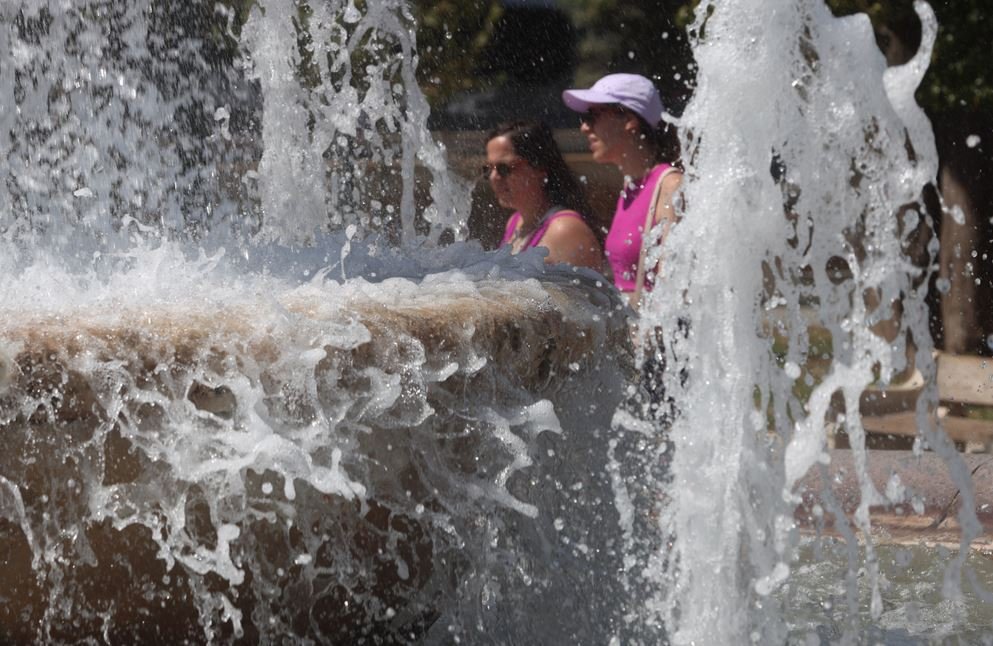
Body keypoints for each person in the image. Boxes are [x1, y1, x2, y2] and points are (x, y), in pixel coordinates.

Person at [562, 73, 683, 309]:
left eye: (593, 116)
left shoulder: (669, 185)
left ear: (629, 120)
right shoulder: (630, 188)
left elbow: (675, 288)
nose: (584, 127)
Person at [484, 120, 602, 271]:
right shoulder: (515, 222)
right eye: (488, 169)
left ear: (539, 167)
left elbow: (587, 294)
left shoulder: (565, 229)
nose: (494, 177)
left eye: (504, 168)